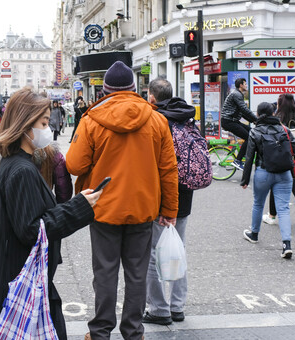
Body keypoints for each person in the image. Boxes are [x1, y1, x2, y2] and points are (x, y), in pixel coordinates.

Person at [0, 87, 102, 340]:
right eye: (43, 122)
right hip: (22, 282)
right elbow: (32, 230)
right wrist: (80, 207)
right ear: (25, 124)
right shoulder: (22, 171)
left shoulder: (13, 163)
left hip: (15, 278)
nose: (48, 129)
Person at [66, 61, 179, 340]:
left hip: (103, 208)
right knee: (137, 273)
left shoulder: (92, 120)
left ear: (105, 90)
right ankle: (133, 331)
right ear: (133, 88)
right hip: (143, 208)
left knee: (104, 273)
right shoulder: (156, 119)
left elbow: (74, 165)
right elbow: (168, 169)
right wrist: (170, 210)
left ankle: (100, 331)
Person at [143, 77, 195, 325]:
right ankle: (177, 307)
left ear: (151, 97)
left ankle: (158, 309)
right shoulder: (186, 117)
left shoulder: (154, 120)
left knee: (153, 254)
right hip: (184, 196)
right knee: (177, 250)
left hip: (160, 196)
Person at [241, 102, 295, 259]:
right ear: (273, 113)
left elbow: (249, 157)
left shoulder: (255, 131)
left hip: (263, 172)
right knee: (283, 208)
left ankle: (254, 234)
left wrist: (245, 180)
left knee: (258, 203)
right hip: (284, 173)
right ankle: (287, 245)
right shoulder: (284, 129)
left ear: (258, 114)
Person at [263, 94, 295, 235]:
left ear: (280, 105)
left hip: (283, 158)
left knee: (276, 187)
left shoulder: (277, 121)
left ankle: (272, 216)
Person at [0, 143, 73, 204]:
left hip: (7, 217)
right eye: (44, 123)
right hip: (43, 214)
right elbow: (64, 193)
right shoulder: (52, 154)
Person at [221, 78, 258, 170]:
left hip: (232, 121)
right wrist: (257, 119)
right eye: (245, 84)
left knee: (252, 132)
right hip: (228, 121)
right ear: (241, 85)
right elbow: (245, 110)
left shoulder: (238, 94)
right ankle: (237, 160)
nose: (246, 86)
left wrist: (254, 121)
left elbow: (242, 113)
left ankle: (245, 153)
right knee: (249, 138)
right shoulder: (237, 94)